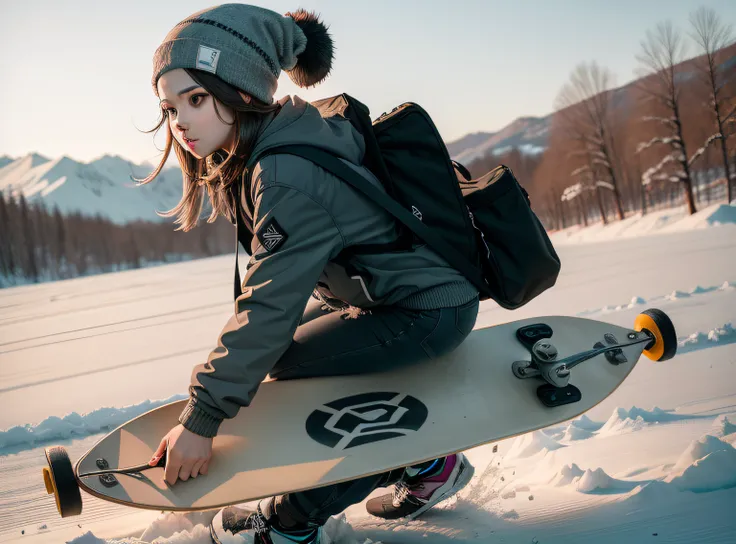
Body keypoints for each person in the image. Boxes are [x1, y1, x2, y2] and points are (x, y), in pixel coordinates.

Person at [141, 4, 479, 543]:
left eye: (196, 98)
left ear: (242, 90)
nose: (179, 121)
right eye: (170, 106)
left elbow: (268, 309)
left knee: (296, 366)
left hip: (423, 308)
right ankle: (426, 464)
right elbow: (274, 298)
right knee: (280, 356)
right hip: (380, 294)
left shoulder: (284, 174)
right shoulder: (270, 146)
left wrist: (204, 417)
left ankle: (292, 525)